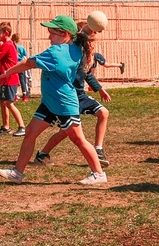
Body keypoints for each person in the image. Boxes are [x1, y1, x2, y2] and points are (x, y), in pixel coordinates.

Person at [0, 15, 107, 185]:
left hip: (63, 103)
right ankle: (17, 173)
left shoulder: (55, 53)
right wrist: (92, 26)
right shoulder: (75, 47)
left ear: (64, 34)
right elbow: (82, 34)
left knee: (78, 139)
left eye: (52, 32)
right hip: (50, 102)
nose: (49, 36)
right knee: (31, 133)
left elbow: (27, 63)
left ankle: (99, 174)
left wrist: (6, 74)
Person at [34, 20, 115, 167]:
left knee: (103, 113)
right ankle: (43, 154)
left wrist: (100, 89)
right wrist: (91, 25)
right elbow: (81, 33)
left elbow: (87, 73)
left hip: (80, 95)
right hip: (70, 97)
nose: (93, 38)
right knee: (65, 132)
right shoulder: (73, 50)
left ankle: (98, 150)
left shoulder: (85, 53)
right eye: (92, 35)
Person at [0, 23, 24, 136]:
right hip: (5, 77)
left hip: (9, 78)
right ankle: (6, 127)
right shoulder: (8, 44)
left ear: (6, 33)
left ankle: (22, 126)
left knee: (8, 103)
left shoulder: (7, 45)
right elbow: (8, 62)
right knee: (3, 102)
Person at [12, 33, 31, 101]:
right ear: (19, 39)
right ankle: (24, 95)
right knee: (22, 80)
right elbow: (25, 56)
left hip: (14, 65)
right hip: (21, 65)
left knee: (15, 80)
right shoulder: (21, 47)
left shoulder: (12, 47)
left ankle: (15, 95)